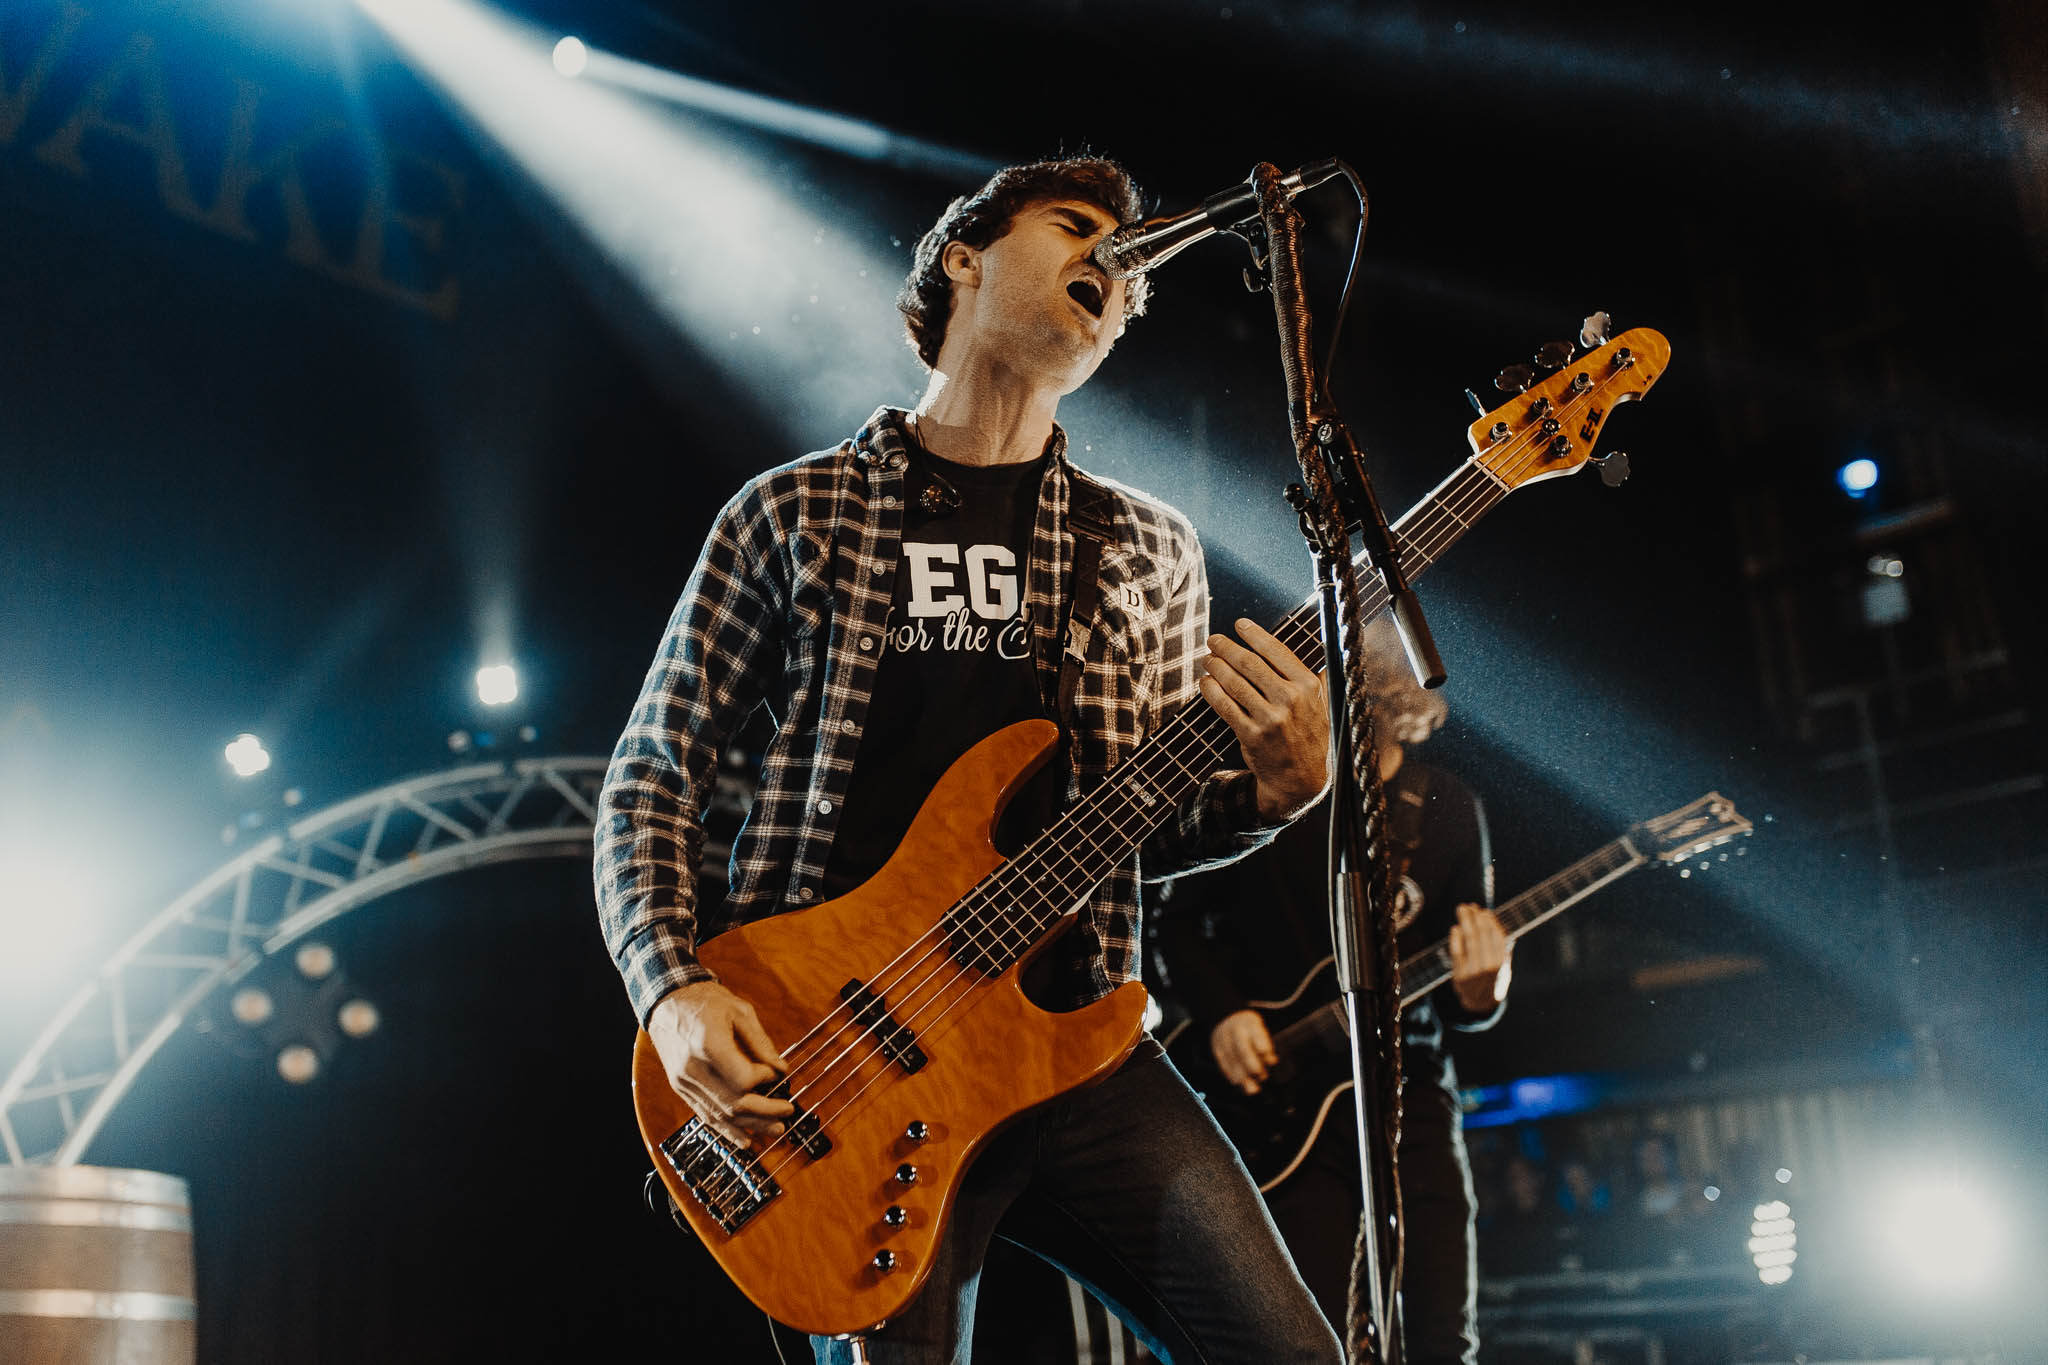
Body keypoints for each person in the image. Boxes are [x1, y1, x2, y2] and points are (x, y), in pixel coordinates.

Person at [595, 156, 1343, 1364]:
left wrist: (1276, 793)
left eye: (1130, 268)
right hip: (841, 1059)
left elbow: (1148, 827)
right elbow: (651, 777)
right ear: (963, 257)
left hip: (1073, 1049)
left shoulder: (1147, 546)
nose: (1114, 264)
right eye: (1074, 226)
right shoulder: (792, 512)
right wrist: (670, 990)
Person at [1153, 617, 1511, 1365]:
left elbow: (1461, 999)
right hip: (1284, 1102)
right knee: (1305, 1337)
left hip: (1412, 1095)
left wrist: (1485, 990)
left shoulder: (1448, 808)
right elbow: (1175, 922)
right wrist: (1222, 1014)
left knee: (1443, 1338)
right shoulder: (1266, 794)